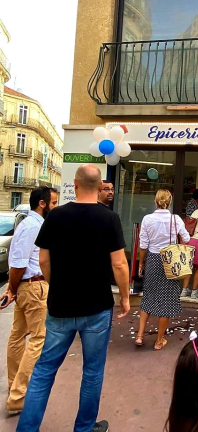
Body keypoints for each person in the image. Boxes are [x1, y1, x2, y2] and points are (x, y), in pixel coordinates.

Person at [16, 164, 130, 432]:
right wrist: (125, 296)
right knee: (92, 372)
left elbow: (43, 258)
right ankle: (84, 427)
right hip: (97, 307)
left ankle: (26, 429)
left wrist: (57, 285)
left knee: (44, 371)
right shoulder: (109, 219)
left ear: (75, 185)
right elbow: (120, 265)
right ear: (100, 186)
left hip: (60, 307)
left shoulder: (55, 216)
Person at [0, 187, 58, 415]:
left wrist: (14, 289)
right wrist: (12, 288)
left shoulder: (27, 224)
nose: (55, 206)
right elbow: (18, 263)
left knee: (17, 336)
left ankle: (14, 386)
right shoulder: (33, 226)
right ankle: (18, 396)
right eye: (53, 202)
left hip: (26, 287)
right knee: (38, 339)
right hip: (33, 287)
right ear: (42, 204)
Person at [136, 189, 190, 350]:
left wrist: (141, 263)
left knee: (148, 296)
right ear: (170, 202)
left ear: (155, 201)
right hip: (170, 261)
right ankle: (159, 340)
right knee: (166, 300)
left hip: (152, 259)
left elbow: (143, 245)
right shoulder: (176, 219)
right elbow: (186, 238)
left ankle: (139, 335)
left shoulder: (147, 219)